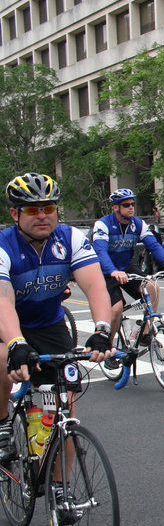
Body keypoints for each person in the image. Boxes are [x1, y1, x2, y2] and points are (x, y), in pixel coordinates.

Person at [0, 174, 114, 488]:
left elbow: (94, 286)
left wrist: (103, 330)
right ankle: (2, 429)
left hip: (48, 324)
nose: (43, 215)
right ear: (15, 214)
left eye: (48, 207)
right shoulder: (3, 245)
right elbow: (3, 301)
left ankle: (60, 488)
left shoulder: (70, 239)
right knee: (1, 356)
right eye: (33, 209)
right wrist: (15, 343)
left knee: (65, 407)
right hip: (8, 323)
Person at [91, 189, 164, 348]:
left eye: (132, 204)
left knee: (153, 287)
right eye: (126, 205)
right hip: (106, 271)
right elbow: (100, 251)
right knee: (116, 309)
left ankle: (146, 334)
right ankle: (108, 347)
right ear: (115, 207)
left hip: (126, 267)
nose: (131, 207)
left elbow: (154, 245)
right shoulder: (103, 224)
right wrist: (113, 271)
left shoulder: (138, 224)